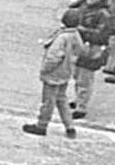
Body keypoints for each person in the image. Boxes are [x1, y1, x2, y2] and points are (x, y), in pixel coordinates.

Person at [22, 7, 84, 138]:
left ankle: (41, 125)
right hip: (65, 72)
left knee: (48, 101)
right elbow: (80, 51)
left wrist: (44, 70)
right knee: (62, 99)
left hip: (54, 73)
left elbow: (53, 57)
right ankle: (70, 126)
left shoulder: (62, 37)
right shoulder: (76, 35)